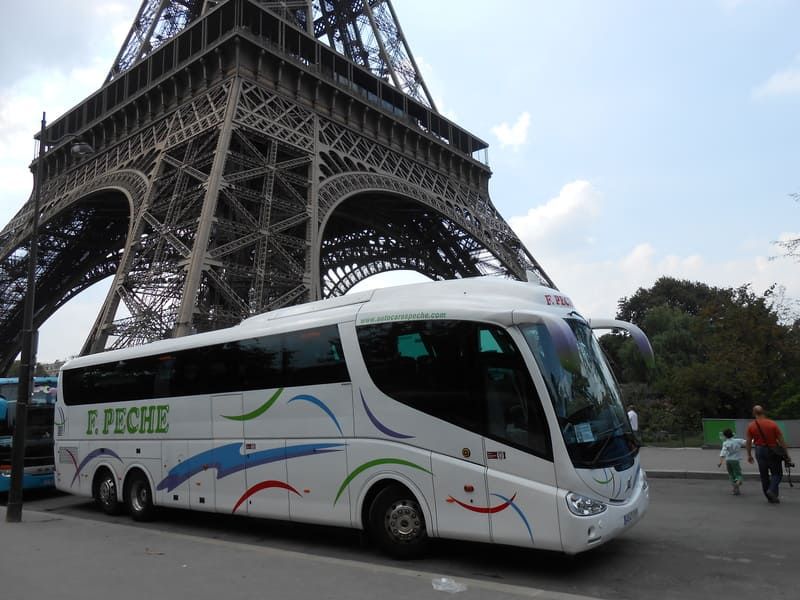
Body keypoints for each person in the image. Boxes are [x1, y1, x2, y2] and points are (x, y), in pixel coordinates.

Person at [745, 405, 792, 503]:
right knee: (777, 474)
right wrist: (787, 454)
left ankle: (770, 497)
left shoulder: (751, 426)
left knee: (764, 475)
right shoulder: (772, 424)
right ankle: (771, 490)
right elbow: (781, 440)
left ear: (754, 413)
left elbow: (748, 442)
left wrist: (749, 455)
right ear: (763, 412)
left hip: (759, 450)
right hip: (773, 450)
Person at [718, 428, 746, 495]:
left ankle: (735, 490)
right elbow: (747, 442)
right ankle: (738, 483)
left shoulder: (725, 443)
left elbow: (723, 453)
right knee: (738, 475)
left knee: (731, 475)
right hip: (735, 461)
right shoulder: (738, 441)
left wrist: (720, 462)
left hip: (728, 461)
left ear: (725, 436)